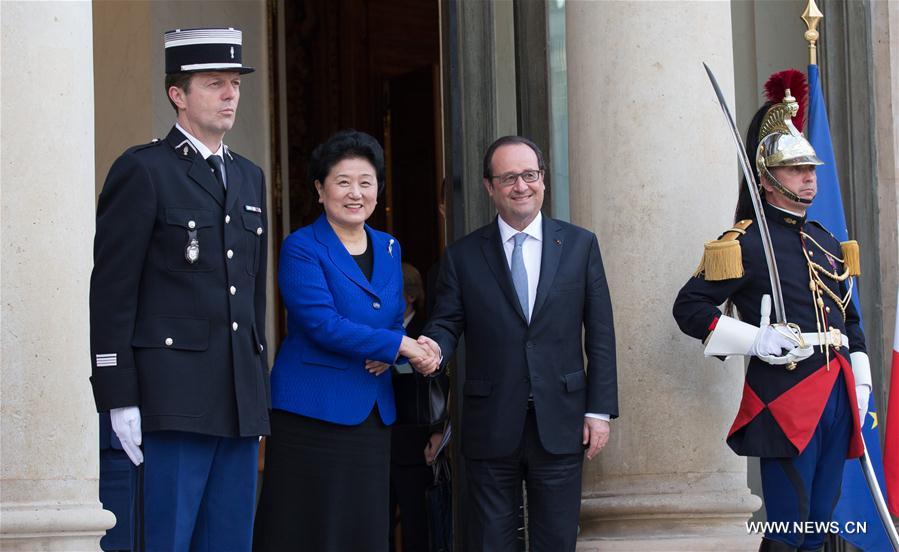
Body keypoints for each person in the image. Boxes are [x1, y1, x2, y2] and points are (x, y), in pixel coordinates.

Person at [672, 70, 870, 551]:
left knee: (821, 527)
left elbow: (852, 323)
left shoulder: (827, 242)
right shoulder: (744, 243)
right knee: (789, 528)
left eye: (811, 168)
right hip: (784, 398)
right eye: (796, 169)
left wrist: (861, 381)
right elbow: (689, 307)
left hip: (837, 395)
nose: (809, 176)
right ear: (766, 179)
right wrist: (753, 340)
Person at [89, 27, 269, 551]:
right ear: (178, 94)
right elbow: (112, 291)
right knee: (163, 540)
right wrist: (117, 394)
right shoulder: (144, 170)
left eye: (234, 83)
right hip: (169, 399)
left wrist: (256, 392)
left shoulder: (248, 176)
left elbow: (250, 297)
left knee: (228, 541)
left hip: (236, 401)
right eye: (215, 83)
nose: (230, 94)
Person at [416, 136, 618, 551]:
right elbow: (447, 323)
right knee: (492, 541)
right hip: (491, 421)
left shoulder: (580, 246)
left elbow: (600, 333)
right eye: (508, 177)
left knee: (556, 540)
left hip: (561, 420)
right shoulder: (463, 256)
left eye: (530, 175)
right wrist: (431, 349)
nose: (521, 186)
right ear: (490, 187)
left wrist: (599, 411)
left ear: (543, 180)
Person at [253, 130, 438, 552]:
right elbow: (321, 323)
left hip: (371, 412)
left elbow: (392, 319)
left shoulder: (389, 247)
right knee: (303, 529)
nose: (355, 193)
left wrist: (388, 345)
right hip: (310, 412)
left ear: (378, 190)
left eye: (366, 182)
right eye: (342, 182)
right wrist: (398, 347)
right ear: (320, 190)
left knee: (363, 527)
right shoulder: (301, 247)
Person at [389, 263, 449, 552]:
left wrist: (438, 431)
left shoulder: (428, 332)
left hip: (416, 444)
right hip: (378, 440)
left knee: (418, 529)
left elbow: (439, 385)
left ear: (409, 296)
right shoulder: (374, 332)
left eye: (393, 292)